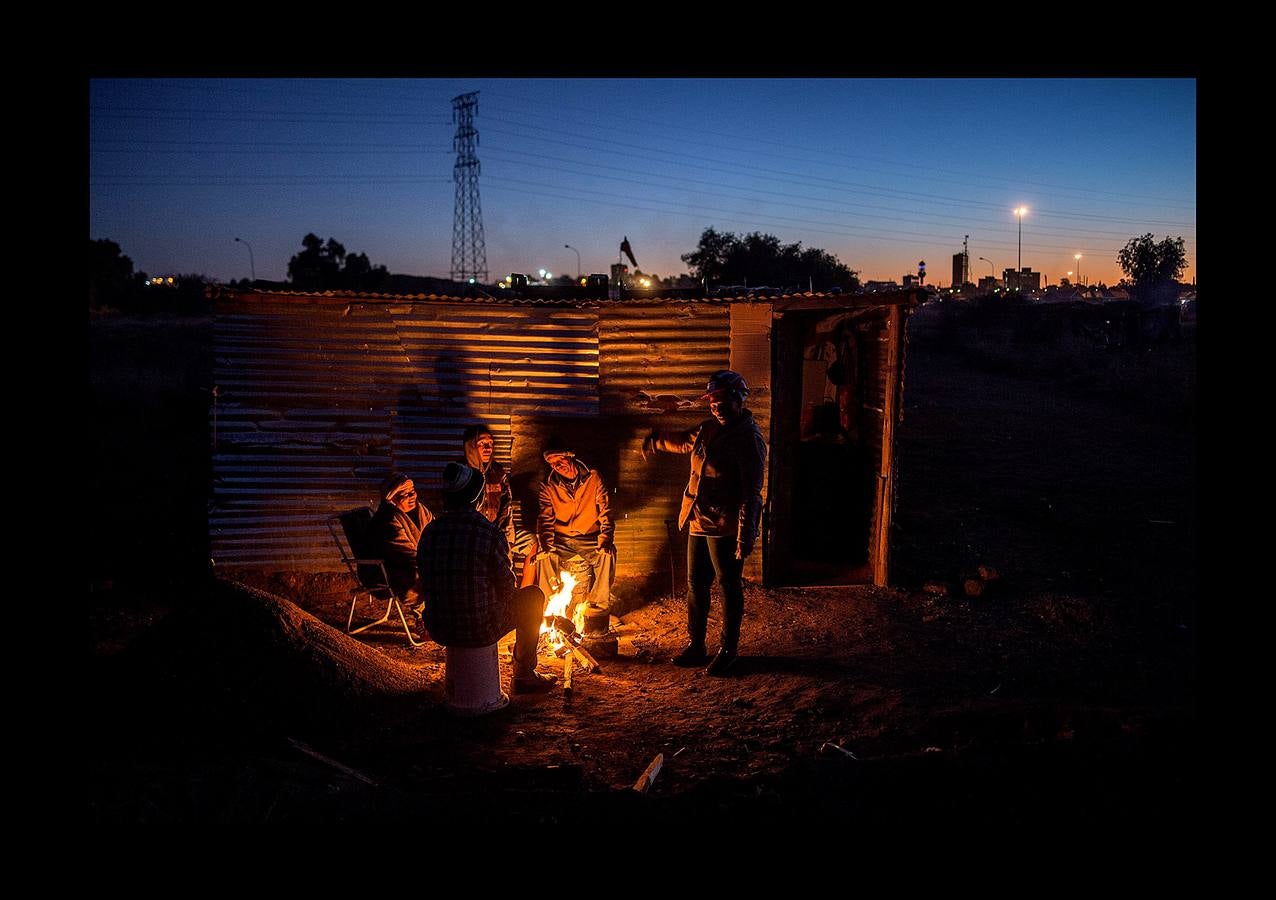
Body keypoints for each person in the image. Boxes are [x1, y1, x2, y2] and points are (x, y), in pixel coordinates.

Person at [641, 370, 767, 677]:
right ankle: (697, 645)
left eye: (724, 400)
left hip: (724, 526)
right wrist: (657, 441)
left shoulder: (748, 440)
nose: (717, 407)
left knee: (728, 586)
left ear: (739, 400)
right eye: (713, 401)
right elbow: (685, 442)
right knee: (696, 585)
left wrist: (746, 533)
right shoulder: (708, 429)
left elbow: (753, 493)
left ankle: (728, 650)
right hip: (697, 519)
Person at [417, 462, 555, 694]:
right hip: (479, 628)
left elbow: (426, 581)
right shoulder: (489, 533)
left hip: (438, 626)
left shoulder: (430, 532)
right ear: (478, 498)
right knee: (532, 597)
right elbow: (508, 589)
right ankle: (523, 675)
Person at [536, 437, 615, 611]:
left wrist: (605, 539)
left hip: (588, 537)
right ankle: (548, 607)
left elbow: (605, 511)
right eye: (552, 463)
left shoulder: (593, 477)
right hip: (561, 540)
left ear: (570, 456)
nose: (556, 466)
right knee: (544, 557)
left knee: (607, 555)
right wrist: (546, 545)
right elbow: (545, 519)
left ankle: (597, 607)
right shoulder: (548, 485)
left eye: (559, 460)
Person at [462, 423, 538, 571]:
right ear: (471, 447)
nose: (488, 448)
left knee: (530, 542)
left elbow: (506, 508)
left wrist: (506, 540)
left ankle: (524, 592)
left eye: (490, 443)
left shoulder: (497, 473)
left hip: (496, 533)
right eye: (482, 443)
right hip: (472, 537)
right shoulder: (462, 474)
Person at [369, 472, 433, 615]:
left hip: (421, 560)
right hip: (391, 568)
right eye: (405, 494)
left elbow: (436, 533)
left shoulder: (421, 511)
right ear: (391, 499)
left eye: (413, 491)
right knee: (415, 578)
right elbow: (404, 553)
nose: (412, 496)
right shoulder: (388, 519)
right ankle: (422, 615)